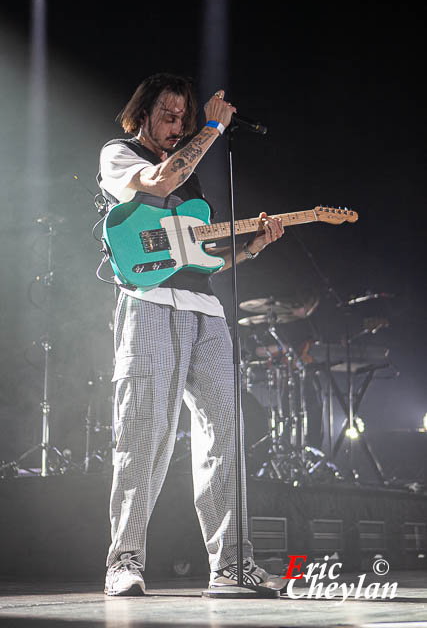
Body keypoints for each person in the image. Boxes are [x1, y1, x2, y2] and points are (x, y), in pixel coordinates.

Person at [98, 73, 285, 596]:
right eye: (169, 115)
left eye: (185, 116)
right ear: (142, 115)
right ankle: (125, 560)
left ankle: (230, 567)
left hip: (206, 309)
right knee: (144, 434)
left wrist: (251, 248)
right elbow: (156, 181)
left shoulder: (194, 180)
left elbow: (203, 259)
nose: (179, 125)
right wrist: (210, 129)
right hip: (148, 306)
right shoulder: (119, 154)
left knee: (225, 436)